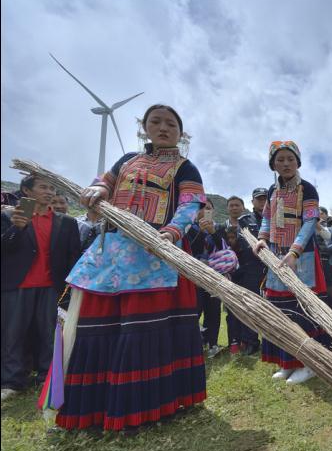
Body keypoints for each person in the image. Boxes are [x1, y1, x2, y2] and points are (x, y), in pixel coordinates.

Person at [53, 104, 207, 430]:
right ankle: (93, 408)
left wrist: (170, 232)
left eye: (171, 124)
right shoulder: (125, 162)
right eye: (156, 122)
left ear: (181, 133)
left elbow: (190, 204)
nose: (163, 128)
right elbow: (104, 184)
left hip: (156, 252)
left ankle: (150, 406)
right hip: (112, 251)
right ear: (144, 128)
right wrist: (98, 189)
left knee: (143, 328)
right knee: (99, 327)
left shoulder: (185, 167)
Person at [252, 141, 332, 384]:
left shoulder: (307, 189)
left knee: (303, 311)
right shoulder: (272, 190)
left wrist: (295, 252)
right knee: (281, 310)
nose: (285, 164)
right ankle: (287, 362)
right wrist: (262, 238)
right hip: (277, 257)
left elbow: (309, 223)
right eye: (280, 160)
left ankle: (310, 363)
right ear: (272, 164)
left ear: (298, 161)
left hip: (302, 258)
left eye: (290, 159)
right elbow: (266, 217)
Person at [1, 175, 81, 402]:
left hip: (50, 287)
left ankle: (47, 375)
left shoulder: (67, 222)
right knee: (12, 335)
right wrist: (17, 229)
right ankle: (11, 381)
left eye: (52, 188)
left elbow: (73, 256)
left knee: (48, 334)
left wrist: (69, 287)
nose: (49, 192)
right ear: (26, 190)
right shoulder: (9, 217)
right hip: (16, 285)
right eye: (43, 187)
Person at [223, 195, 262, 355]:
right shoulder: (222, 226)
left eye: (237, 205)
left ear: (243, 206)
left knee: (250, 305)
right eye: (231, 205)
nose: (234, 208)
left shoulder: (250, 221)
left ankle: (251, 341)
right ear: (227, 208)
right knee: (232, 306)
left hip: (251, 269)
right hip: (232, 271)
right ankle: (234, 341)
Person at [185, 198, 224, 358]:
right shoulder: (188, 228)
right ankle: (194, 345)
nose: (206, 211)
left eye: (209, 208)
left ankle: (213, 344)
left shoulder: (218, 228)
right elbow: (191, 248)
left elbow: (223, 248)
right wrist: (201, 232)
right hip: (193, 276)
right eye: (203, 207)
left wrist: (213, 232)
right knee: (195, 309)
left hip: (213, 276)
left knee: (213, 310)